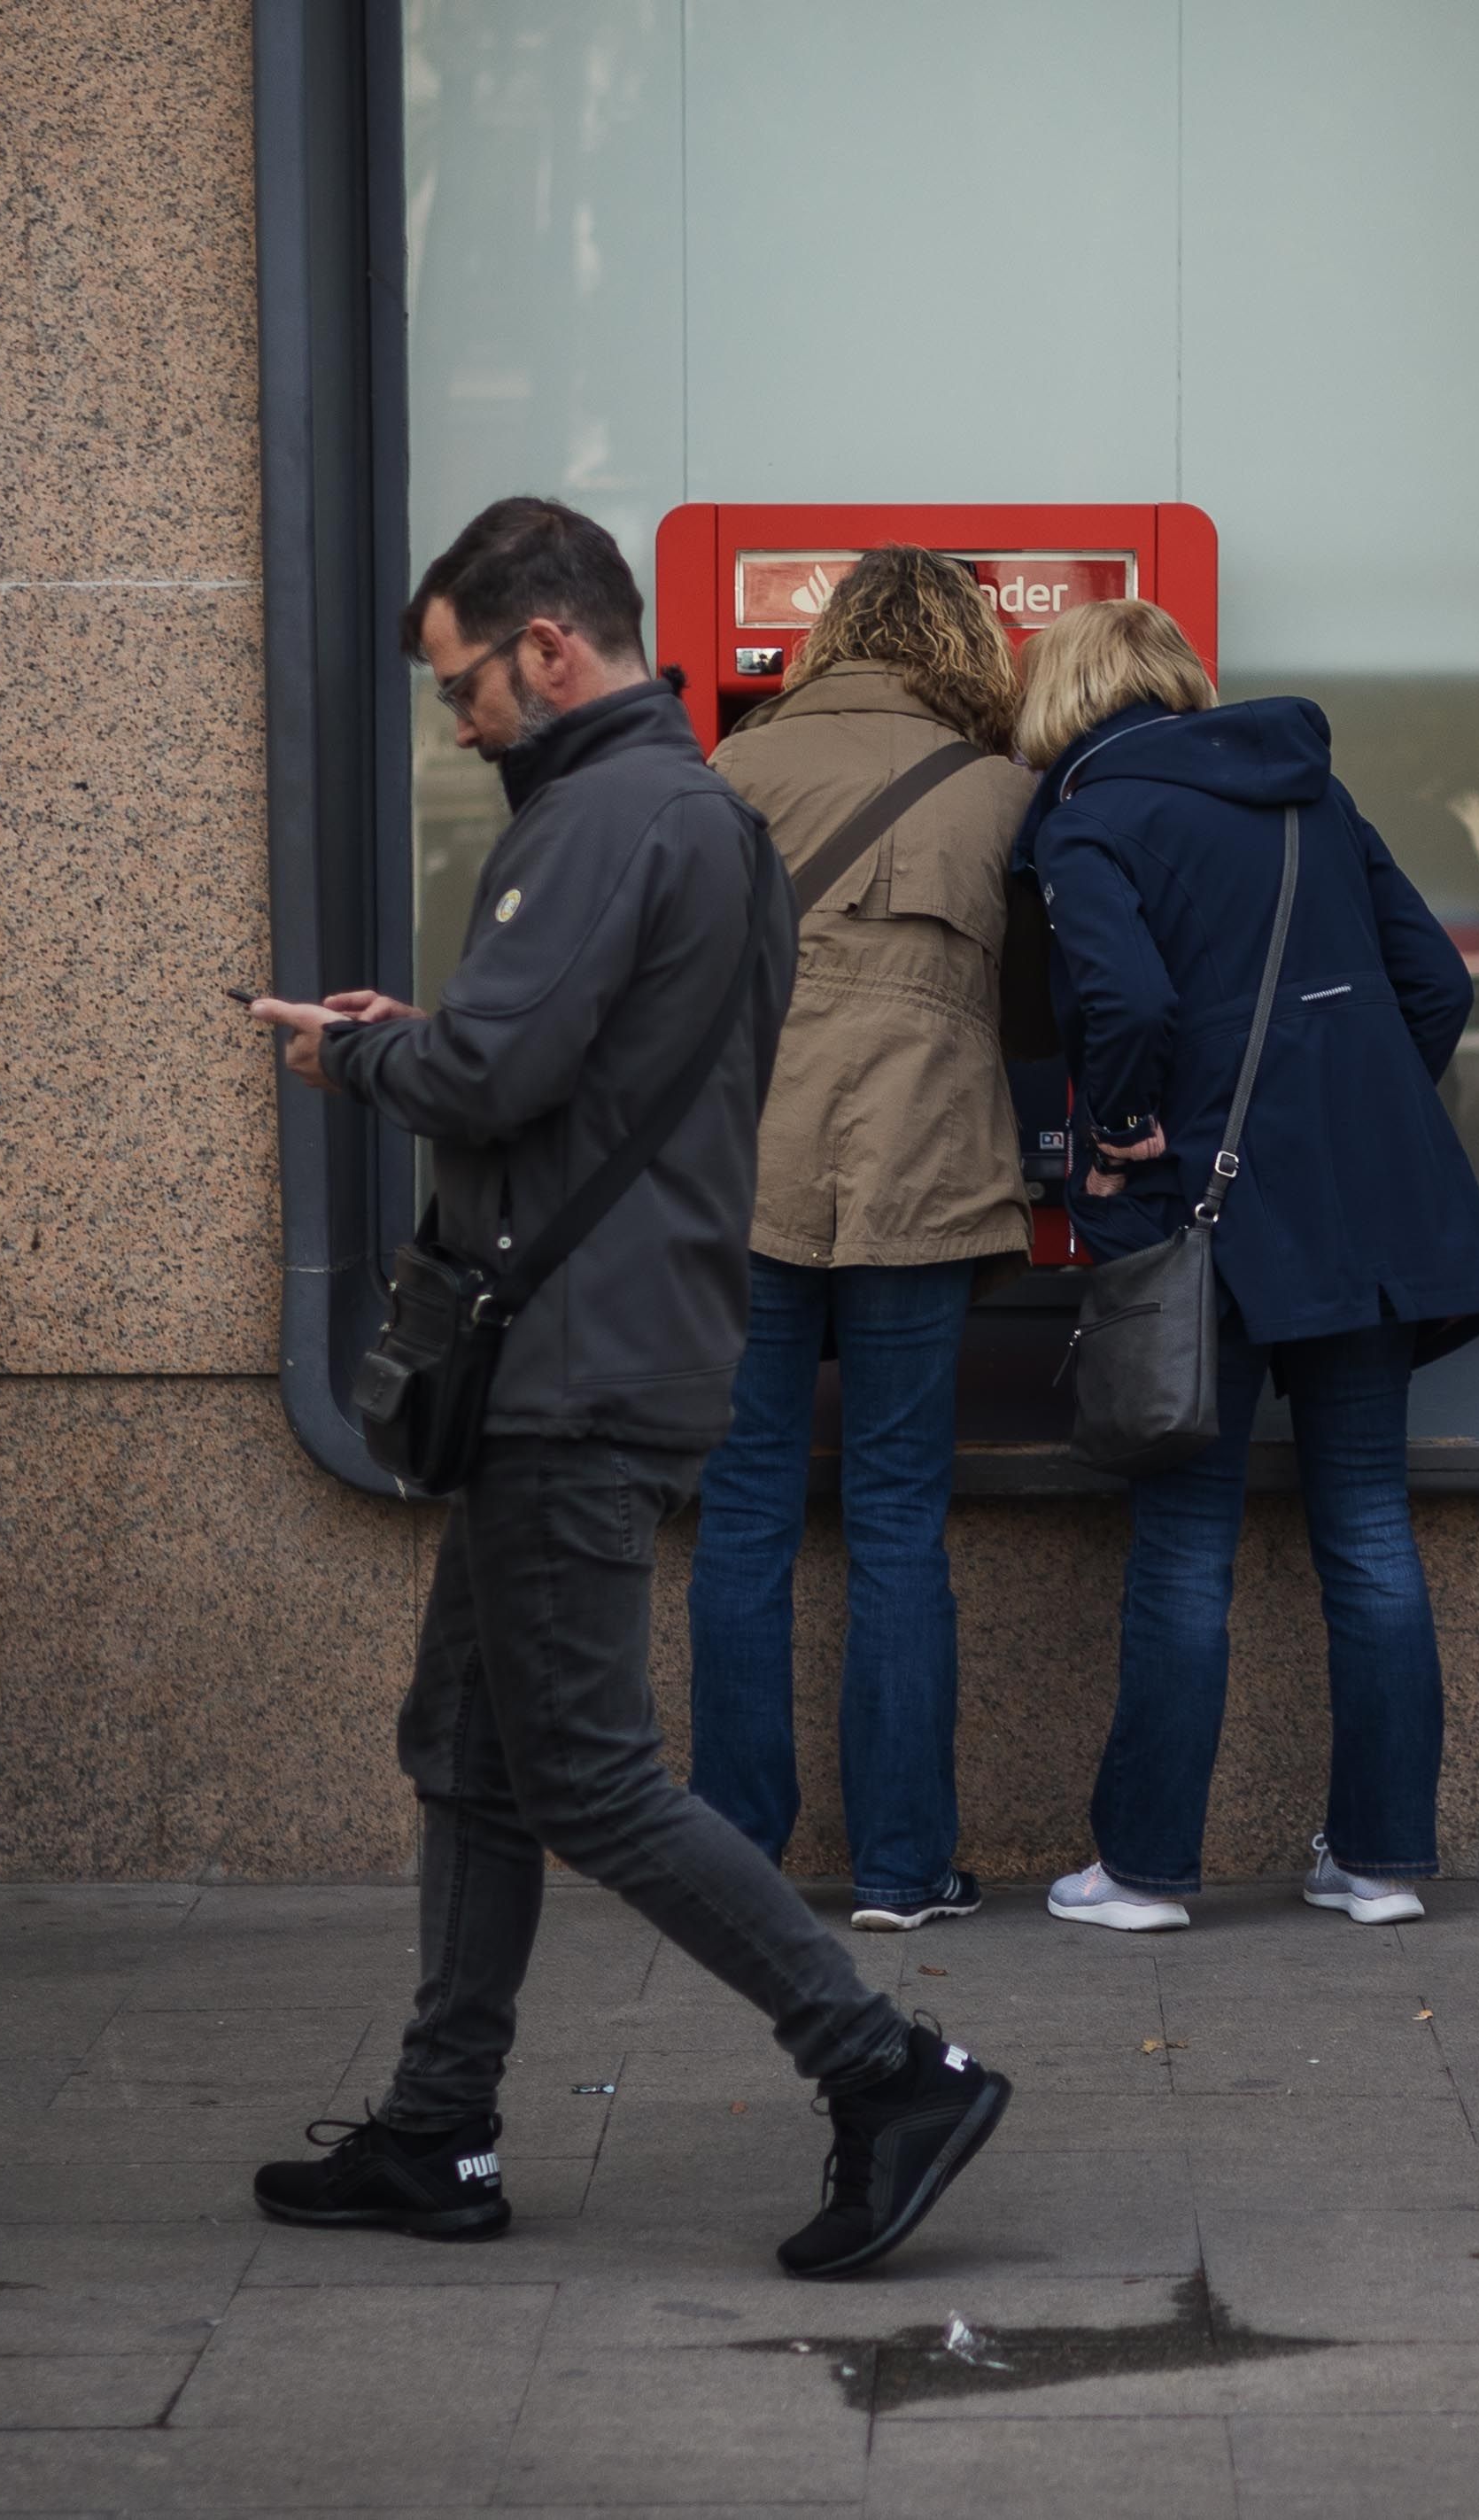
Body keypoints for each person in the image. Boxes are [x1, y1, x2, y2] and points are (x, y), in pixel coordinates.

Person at [243, 497, 1006, 2278]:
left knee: (582, 1774)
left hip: (566, 1366)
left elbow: (497, 1064)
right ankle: (437, 2128)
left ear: (550, 648)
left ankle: (886, 2067)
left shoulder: (600, 816)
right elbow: (579, 1066)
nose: (458, 723)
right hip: (607, 1337)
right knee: (469, 1750)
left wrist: (358, 1055)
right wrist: (417, 1041)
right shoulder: (697, 813)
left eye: (464, 685)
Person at [1010, 599, 1479, 1935]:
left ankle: (1145, 1873)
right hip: (1363, 1220)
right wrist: (1341, 1115)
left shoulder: (1088, 819)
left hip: (1204, 1227)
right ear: (1175, 681)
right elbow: (1438, 988)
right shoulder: (1313, 796)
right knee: (1366, 1527)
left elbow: (1131, 1003)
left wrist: (1118, 1129)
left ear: (1061, 699)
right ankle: (1382, 1861)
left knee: (1185, 1544)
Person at [689, 547, 1035, 1935]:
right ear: (964, 646)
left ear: (830, 639)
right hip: (923, 1187)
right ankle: (901, 1872)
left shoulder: (728, 771)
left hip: (746, 1185)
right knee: (901, 1522)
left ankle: (727, 1867)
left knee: (745, 1520)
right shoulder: (1005, 792)